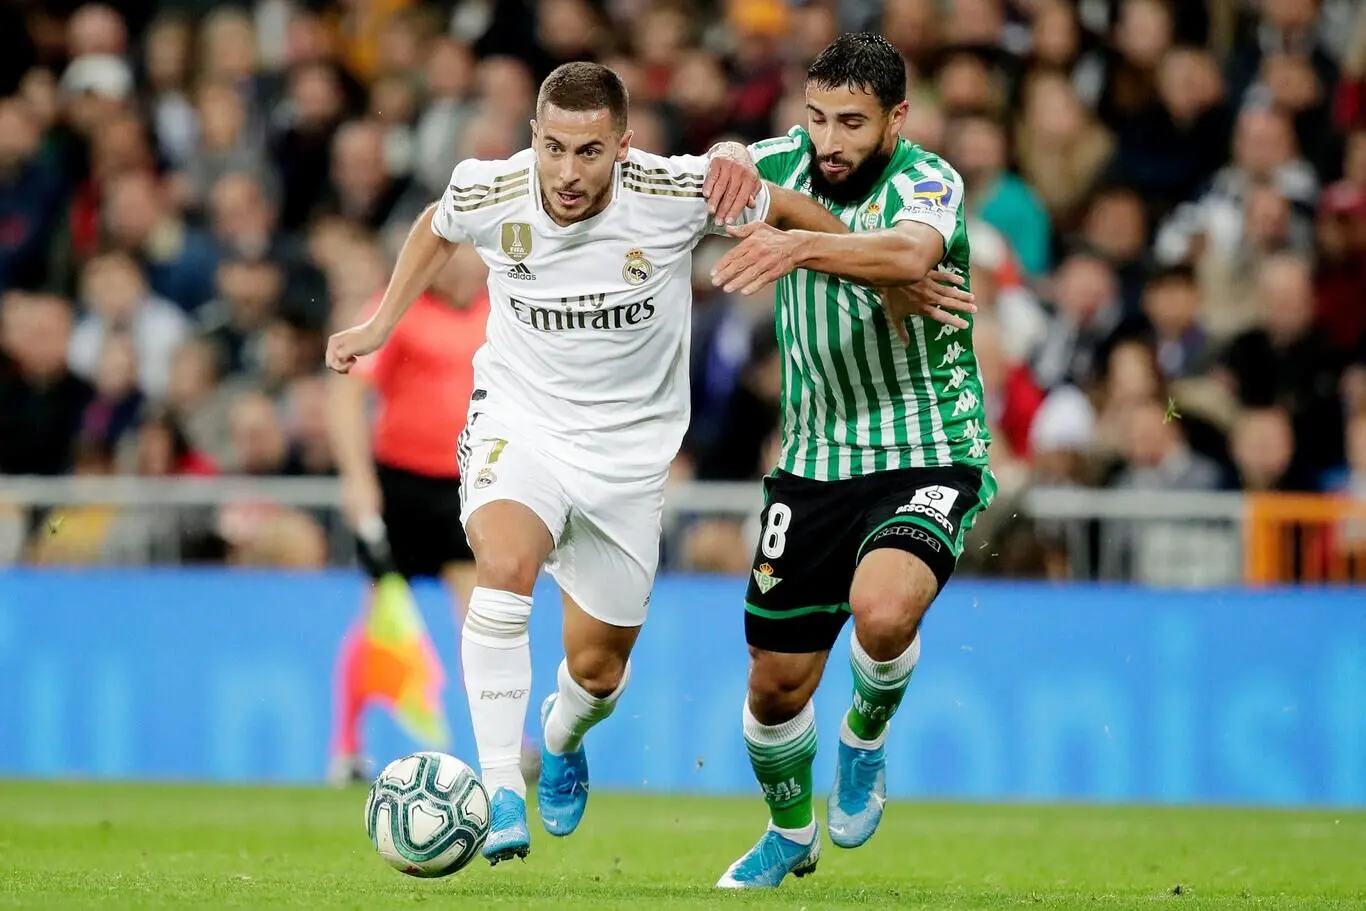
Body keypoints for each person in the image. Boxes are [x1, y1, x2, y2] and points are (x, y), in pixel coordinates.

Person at [325, 61, 811, 865]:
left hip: (627, 460)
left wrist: (868, 263)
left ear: (624, 146)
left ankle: (561, 735)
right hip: (521, 423)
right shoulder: (492, 188)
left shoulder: (675, 192)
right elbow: (438, 225)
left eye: (589, 151)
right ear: (534, 138)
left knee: (598, 671)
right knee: (503, 565)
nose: (568, 171)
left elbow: (787, 204)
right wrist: (380, 325)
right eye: (553, 148)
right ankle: (497, 789)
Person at [707, 33, 996, 889]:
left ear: (896, 119)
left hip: (929, 442)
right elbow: (720, 172)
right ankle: (790, 832)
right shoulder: (782, 161)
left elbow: (909, 254)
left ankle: (864, 736)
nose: (829, 141)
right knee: (774, 687)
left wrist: (796, 244)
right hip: (813, 458)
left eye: (852, 123)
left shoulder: (929, 180)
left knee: (882, 609)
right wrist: (726, 154)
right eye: (818, 118)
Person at [326, 242, 519, 786]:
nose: (463, 262)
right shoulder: (397, 308)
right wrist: (357, 479)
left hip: (469, 485)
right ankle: (346, 747)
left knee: (482, 620)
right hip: (401, 485)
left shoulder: (501, 307)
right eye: (453, 250)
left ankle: (505, 747)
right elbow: (345, 398)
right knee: (380, 619)